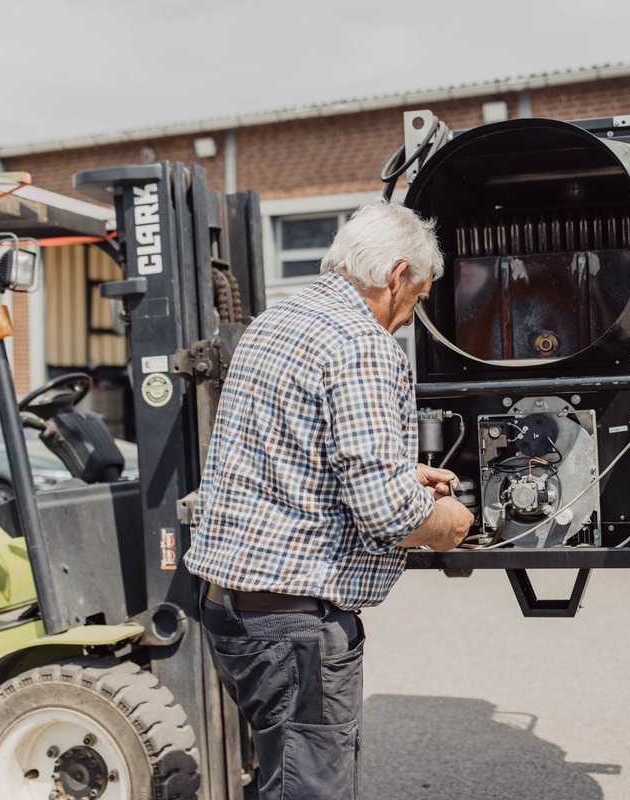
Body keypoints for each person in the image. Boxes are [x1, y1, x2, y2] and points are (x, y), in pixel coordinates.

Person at [185, 202, 474, 799]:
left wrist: (399, 473)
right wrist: (449, 521)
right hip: (293, 625)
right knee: (309, 789)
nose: (407, 317)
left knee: (280, 775)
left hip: (233, 612)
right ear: (396, 277)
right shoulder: (362, 344)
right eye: (416, 299)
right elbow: (388, 514)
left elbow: (292, 452)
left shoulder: (276, 322)